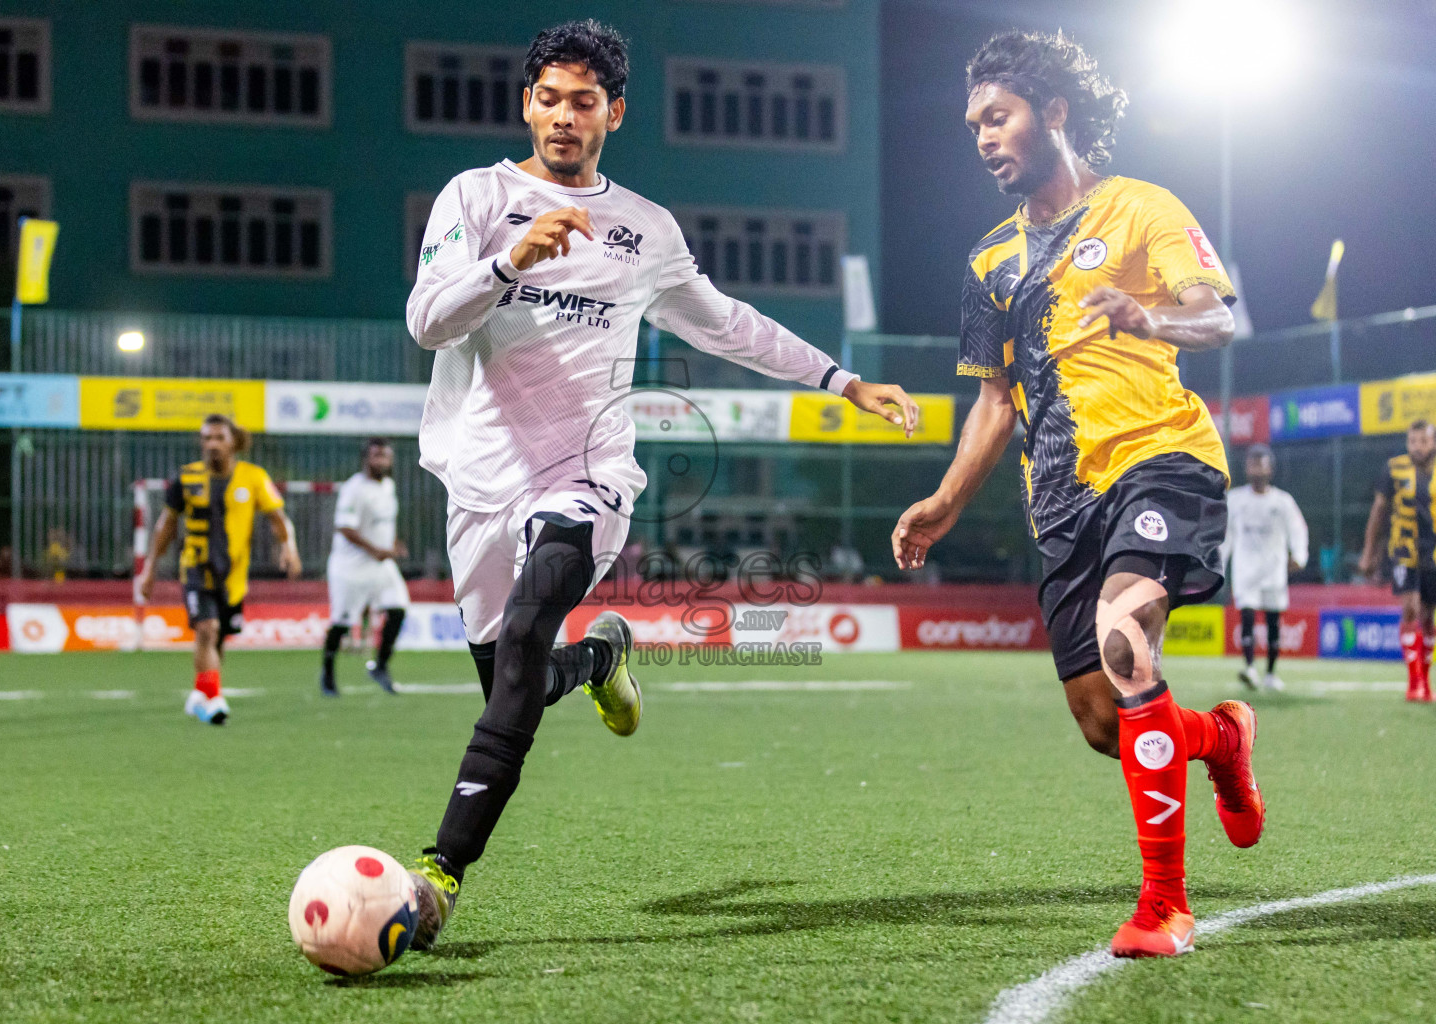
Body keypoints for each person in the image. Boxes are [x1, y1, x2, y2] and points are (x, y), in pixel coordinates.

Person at [399, 18, 919, 951]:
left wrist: (842, 380)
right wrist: (512, 263)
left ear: (615, 114)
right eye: (549, 98)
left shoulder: (644, 230)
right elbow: (428, 321)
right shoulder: (475, 197)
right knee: (509, 681)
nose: (564, 116)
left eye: (584, 102)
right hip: (477, 478)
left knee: (524, 635)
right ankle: (598, 661)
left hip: (587, 472)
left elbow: (728, 324)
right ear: (527, 104)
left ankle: (441, 874)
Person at [892, 30, 1263, 959]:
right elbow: (993, 401)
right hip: (1059, 504)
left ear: (1054, 112)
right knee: (1108, 721)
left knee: (1126, 637)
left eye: (999, 115)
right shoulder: (990, 263)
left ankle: (1165, 906)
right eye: (974, 122)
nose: (982, 136)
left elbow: (1222, 315)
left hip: (1162, 459)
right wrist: (945, 500)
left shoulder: (1141, 208)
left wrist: (1151, 314)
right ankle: (1219, 738)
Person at [136, 414, 302, 725]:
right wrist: (150, 569)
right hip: (195, 569)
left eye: (219, 438)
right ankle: (214, 699)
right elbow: (166, 527)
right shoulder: (186, 479)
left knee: (218, 637)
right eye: (206, 439)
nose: (212, 444)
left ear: (233, 443)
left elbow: (278, 519)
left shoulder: (253, 477)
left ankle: (201, 695)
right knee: (206, 630)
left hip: (234, 576)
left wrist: (288, 547)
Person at [321, 438, 410, 696]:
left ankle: (380, 666)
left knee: (398, 609)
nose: (381, 461)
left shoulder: (389, 486)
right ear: (366, 459)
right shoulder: (354, 488)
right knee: (341, 622)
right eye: (376, 456)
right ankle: (327, 674)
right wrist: (377, 550)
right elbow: (345, 527)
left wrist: (391, 544)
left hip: (381, 565)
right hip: (351, 567)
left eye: (385, 456)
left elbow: (382, 525)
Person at [1359, 419, 1436, 702]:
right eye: (1413, 441)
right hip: (1404, 550)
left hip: (1434, 554)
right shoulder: (1394, 469)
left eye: (1424, 441)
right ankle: (1414, 680)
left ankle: (1425, 681)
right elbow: (1379, 511)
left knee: (1429, 617)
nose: (1418, 447)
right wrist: (1369, 552)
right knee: (1412, 609)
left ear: (1433, 442)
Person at [1221, 444, 1308, 691]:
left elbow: (1298, 530)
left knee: (1273, 621)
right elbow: (1225, 535)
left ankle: (1270, 673)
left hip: (1274, 570)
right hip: (1245, 570)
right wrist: (1219, 561)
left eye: (1261, 463)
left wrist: (1299, 557)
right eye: (1252, 463)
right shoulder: (1235, 499)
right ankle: (1249, 668)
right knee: (1247, 616)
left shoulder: (1282, 501)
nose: (1256, 468)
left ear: (1271, 468)